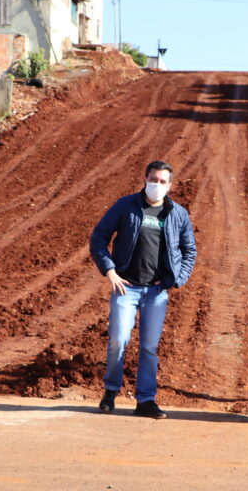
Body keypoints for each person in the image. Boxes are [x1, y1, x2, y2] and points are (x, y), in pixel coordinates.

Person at [90, 160, 197, 419]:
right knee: (119, 340)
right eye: (153, 179)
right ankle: (111, 391)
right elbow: (99, 238)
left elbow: (189, 250)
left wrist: (176, 279)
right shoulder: (125, 206)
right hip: (126, 288)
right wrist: (110, 271)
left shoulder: (177, 214)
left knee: (149, 347)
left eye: (162, 182)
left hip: (156, 293)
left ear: (170, 185)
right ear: (145, 179)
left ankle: (146, 400)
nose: (156, 185)